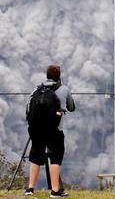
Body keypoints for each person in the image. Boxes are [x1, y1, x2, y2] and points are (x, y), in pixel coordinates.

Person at [25, 64, 75, 197]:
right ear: (59, 77)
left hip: (36, 130)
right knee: (55, 158)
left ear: (47, 76)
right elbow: (71, 107)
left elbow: (29, 108)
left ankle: (30, 188)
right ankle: (54, 190)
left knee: (35, 156)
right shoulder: (64, 89)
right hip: (55, 130)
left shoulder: (37, 89)